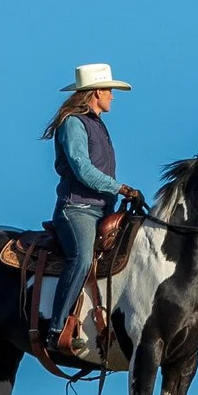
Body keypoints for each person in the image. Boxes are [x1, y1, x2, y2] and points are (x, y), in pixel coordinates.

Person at [41, 63, 143, 349]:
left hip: (102, 210)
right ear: (96, 91)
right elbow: (82, 169)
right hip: (77, 210)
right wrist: (120, 187)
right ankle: (56, 328)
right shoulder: (73, 122)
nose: (112, 95)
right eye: (109, 90)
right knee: (82, 257)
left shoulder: (97, 123)